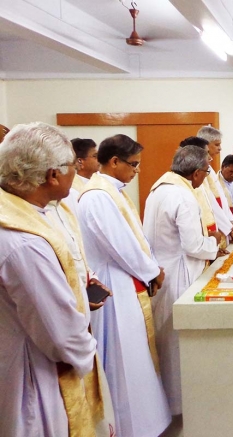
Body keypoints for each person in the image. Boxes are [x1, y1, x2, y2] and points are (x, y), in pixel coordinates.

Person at [0, 122, 114, 436]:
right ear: (53, 174)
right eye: (71, 166)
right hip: (36, 372)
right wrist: (85, 358)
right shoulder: (24, 241)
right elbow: (62, 335)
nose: (75, 172)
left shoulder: (28, 212)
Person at [78, 134, 171, 437]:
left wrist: (149, 267)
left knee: (135, 360)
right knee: (123, 361)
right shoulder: (97, 196)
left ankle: (146, 422)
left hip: (124, 279)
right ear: (114, 161)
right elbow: (122, 246)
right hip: (113, 287)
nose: (136, 171)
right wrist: (152, 270)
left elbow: (134, 240)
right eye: (133, 164)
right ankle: (131, 427)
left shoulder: (111, 192)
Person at [144, 146, 220, 417]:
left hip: (160, 270)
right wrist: (214, 243)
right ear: (197, 173)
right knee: (179, 340)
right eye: (206, 172)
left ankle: (165, 400)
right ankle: (180, 404)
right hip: (180, 272)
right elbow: (192, 245)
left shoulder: (158, 189)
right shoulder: (184, 196)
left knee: (165, 338)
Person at [178, 136, 231, 251]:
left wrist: (229, 225)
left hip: (207, 243)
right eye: (206, 153)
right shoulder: (184, 188)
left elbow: (215, 202)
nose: (209, 158)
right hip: (196, 250)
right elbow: (191, 242)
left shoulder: (203, 173)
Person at [196, 126, 233, 244]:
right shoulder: (200, 171)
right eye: (216, 144)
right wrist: (228, 228)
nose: (220, 148)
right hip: (215, 230)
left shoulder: (209, 168)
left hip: (225, 227)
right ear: (205, 144)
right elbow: (210, 204)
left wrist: (232, 221)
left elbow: (222, 200)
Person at [63, 137, 99, 213]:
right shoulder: (71, 191)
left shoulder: (96, 183)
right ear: (80, 162)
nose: (99, 160)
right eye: (95, 156)